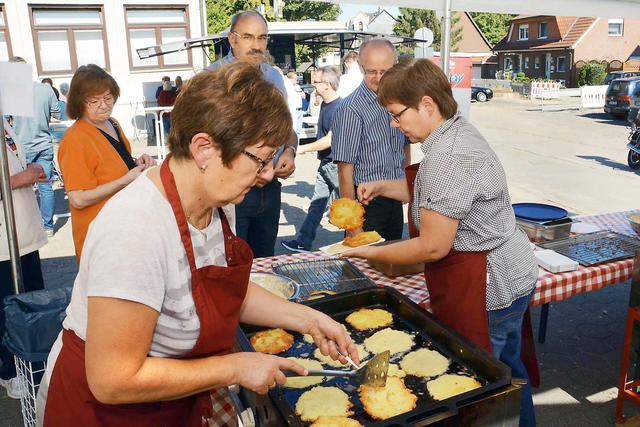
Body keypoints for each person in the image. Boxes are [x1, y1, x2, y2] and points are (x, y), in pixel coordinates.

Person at [37, 62, 358, 427]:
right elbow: (112, 379)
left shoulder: (217, 199)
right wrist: (234, 367)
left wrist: (310, 319)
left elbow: (220, 293)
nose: (268, 174)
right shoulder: (134, 230)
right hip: (105, 413)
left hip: (173, 400)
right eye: (260, 159)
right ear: (204, 149)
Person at [342, 58, 538, 426]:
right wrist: (386, 187)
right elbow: (440, 197)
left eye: (398, 114)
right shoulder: (458, 131)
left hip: (487, 287)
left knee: (482, 390)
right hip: (515, 274)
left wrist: (367, 252)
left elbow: (433, 247)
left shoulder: (446, 157)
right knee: (508, 372)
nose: (393, 123)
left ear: (427, 104)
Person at [207, 10, 297, 257]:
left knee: (265, 261)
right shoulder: (211, 78)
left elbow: (287, 128)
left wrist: (290, 150)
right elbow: (205, 141)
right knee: (231, 265)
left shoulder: (274, 77)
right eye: (248, 37)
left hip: (269, 190)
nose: (256, 45)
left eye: (262, 38)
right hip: (231, 191)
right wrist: (247, 169)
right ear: (232, 39)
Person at [58, 64, 155, 261]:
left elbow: (114, 162)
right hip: (100, 237)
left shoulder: (113, 123)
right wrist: (125, 180)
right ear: (79, 102)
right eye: (94, 100)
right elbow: (78, 198)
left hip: (126, 228)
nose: (103, 105)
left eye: (108, 98)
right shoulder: (75, 138)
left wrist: (137, 162)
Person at [331, 38, 410, 241]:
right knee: (366, 267)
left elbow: (404, 147)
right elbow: (344, 170)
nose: (378, 78)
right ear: (360, 67)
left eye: (385, 71)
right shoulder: (350, 109)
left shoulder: (399, 100)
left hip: (395, 197)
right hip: (367, 204)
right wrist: (352, 223)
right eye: (371, 71)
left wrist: (405, 185)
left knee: (392, 263)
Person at [0, 126, 48, 399]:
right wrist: (21, 177)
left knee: (31, 305)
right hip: (3, 242)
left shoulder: (5, 122)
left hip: (24, 234)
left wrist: (27, 171)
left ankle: (31, 363)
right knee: (6, 308)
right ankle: (8, 370)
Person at [282, 66, 342, 252]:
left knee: (350, 205)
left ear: (328, 84)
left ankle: (359, 240)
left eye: (316, 82)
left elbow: (329, 140)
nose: (313, 85)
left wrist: (300, 149)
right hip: (326, 163)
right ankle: (303, 241)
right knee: (317, 204)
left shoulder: (339, 108)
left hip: (335, 164)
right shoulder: (326, 103)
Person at [10, 57, 61, 237]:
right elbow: (58, 114)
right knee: (46, 187)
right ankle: (47, 226)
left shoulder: (10, 92)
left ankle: (27, 229)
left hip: (20, 148)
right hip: (43, 144)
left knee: (21, 190)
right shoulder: (46, 90)